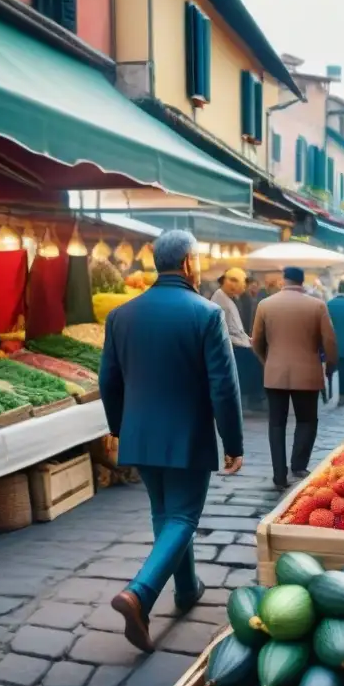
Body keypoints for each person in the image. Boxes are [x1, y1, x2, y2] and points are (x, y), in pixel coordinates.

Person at [101, 230, 243, 652]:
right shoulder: (205, 314)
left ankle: (187, 589)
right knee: (182, 517)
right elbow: (224, 386)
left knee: (165, 512)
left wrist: (118, 427)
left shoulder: (121, 315)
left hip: (139, 433)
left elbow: (108, 379)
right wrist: (232, 441)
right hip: (187, 435)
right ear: (187, 263)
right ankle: (140, 594)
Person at [252, 266, 337, 488]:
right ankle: (298, 465)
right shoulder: (317, 305)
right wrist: (330, 366)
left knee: (277, 424)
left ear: (283, 280)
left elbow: (257, 341)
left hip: (275, 373)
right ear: (302, 281)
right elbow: (330, 342)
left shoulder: (265, 304)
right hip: (307, 373)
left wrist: (268, 361)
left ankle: (279, 474)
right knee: (307, 420)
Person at [211, 268, 264, 411]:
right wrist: (245, 342)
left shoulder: (228, 298)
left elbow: (236, 327)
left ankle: (254, 398)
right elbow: (224, 330)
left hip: (240, 343)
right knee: (252, 368)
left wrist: (248, 339)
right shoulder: (221, 300)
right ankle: (252, 399)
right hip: (235, 346)